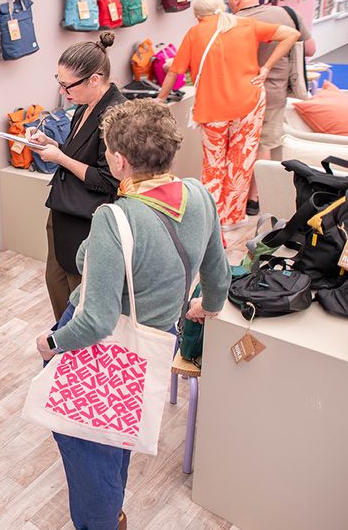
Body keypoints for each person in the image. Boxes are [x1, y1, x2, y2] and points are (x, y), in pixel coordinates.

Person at [35, 99, 232, 530]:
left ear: (120, 160)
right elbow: (218, 277)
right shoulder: (200, 195)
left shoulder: (116, 217)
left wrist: (51, 342)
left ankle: (103, 521)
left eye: (107, 150)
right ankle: (113, 510)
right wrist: (206, 307)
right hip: (155, 340)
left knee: (84, 440)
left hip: (104, 347)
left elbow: (96, 320)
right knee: (116, 430)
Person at [157, 0, 299, 228]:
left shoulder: (195, 32)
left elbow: (175, 71)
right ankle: (232, 218)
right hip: (249, 103)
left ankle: (211, 218)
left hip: (212, 107)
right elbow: (291, 34)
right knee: (241, 161)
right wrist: (266, 68)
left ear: (197, 15)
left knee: (213, 163)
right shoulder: (247, 25)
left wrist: (161, 99)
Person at [25, 32, 126, 322]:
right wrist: (53, 145)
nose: (62, 92)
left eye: (67, 86)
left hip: (87, 219)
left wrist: (61, 158)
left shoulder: (116, 115)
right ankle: (63, 342)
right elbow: (81, 155)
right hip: (64, 209)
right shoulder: (84, 106)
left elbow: (108, 180)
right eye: (59, 83)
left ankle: (74, 345)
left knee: (79, 300)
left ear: (94, 79)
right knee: (56, 282)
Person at [224, 0, 317, 216]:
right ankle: (260, 197)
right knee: (267, 143)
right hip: (276, 91)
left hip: (239, 93)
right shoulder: (288, 14)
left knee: (241, 146)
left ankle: (246, 199)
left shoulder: (232, 22)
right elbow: (310, 49)